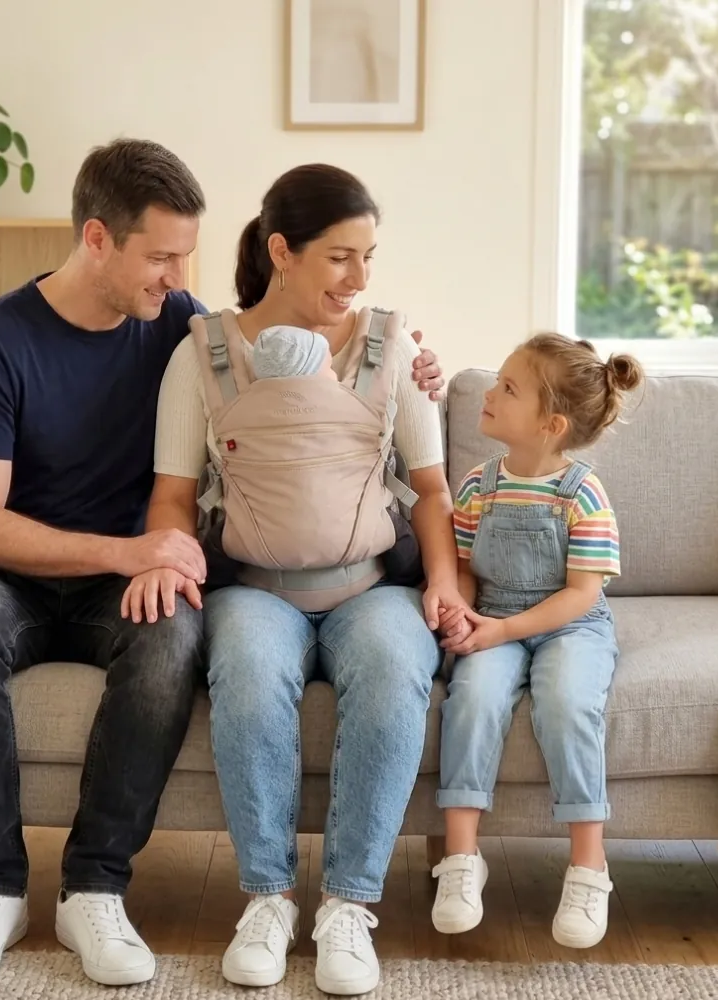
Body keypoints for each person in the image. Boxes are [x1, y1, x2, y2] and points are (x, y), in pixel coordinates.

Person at [0, 140, 447, 988]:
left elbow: (274, 351)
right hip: (13, 573)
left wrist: (414, 362)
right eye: (159, 257)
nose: (175, 277)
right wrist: (136, 550)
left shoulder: (175, 325)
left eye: (184, 258)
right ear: (98, 239)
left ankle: (93, 886)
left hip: (134, 576)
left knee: (169, 642)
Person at [130, 163, 467, 996]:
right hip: (253, 588)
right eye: (339, 257)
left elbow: (430, 490)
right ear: (282, 251)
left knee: (396, 670)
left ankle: (349, 908)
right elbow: (171, 498)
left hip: (369, 590)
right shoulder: (202, 354)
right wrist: (167, 559)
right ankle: (269, 899)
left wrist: (445, 582)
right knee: (243, 672)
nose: (357, 279)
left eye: (368, 257)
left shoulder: (394, 347)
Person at [431, 333, 643, 950]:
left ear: (550, 424)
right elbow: (464, 564)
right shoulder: (477, 485)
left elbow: (581, 594)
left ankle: (587, 866)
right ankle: (461, 861)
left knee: (567, 704)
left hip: (571, 625)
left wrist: (505, 630)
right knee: (470, 700)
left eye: (508, 388)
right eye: (497, 382)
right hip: (494, 616)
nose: (489, 394)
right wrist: (466, 613)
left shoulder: (582, 492)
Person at [198, 323, 424, 593]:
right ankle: (412, 581)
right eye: (328, 368)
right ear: (311, 371)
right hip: (359, 545)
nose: (334, 375)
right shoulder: (355, 409)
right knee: (397, 531)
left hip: (254, 544)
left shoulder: (235, 412)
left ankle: (209, 587)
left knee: (218, 541)